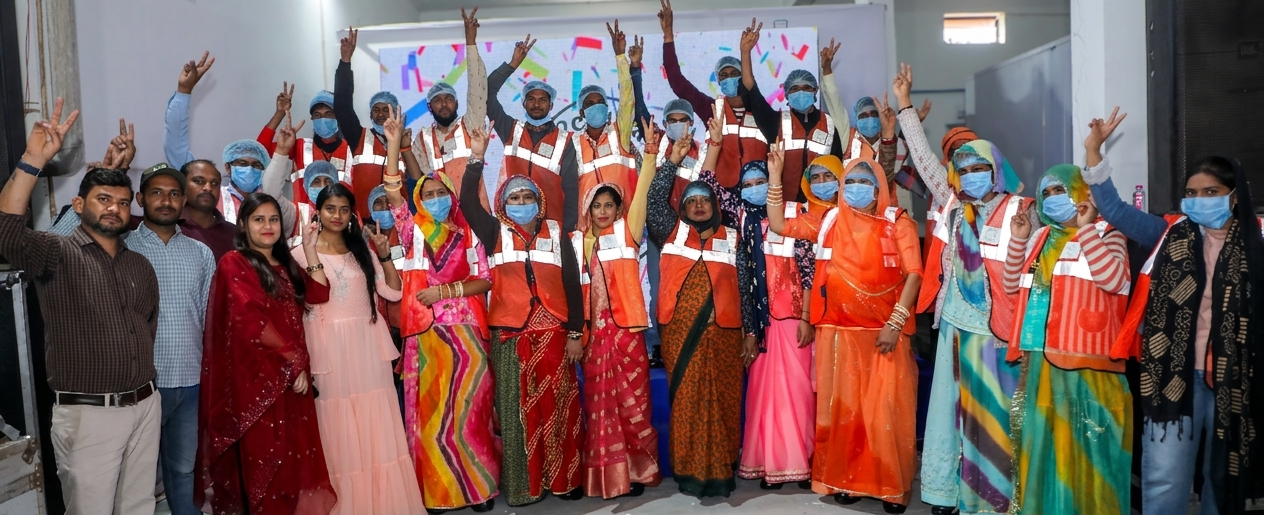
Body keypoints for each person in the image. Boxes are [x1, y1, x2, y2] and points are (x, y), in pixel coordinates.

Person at [1085, 109, 1264, 515]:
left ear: (1235, 195)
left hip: (1235, 379)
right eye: (1193, 192)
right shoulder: (1169, 233)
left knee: (1223, 477)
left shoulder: (1257, 243)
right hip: (1173, 377)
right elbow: (1113, 209)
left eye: (1211, 192)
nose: (1199, 200)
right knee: (1165, 476)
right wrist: (1095, 151)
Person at [0, 100, 163, 515]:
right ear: (78, 207)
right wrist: (33, 160)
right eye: (103, 198)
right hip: (90, 415)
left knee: (139, 506)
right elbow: (7, 233)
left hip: (145, 406)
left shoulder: (140, 265)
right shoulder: (55, 254)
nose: (113, 207)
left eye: (123, 202)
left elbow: (146, 331)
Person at [894, 64, 1033, 515]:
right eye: (963, 168)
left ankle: (991, 497)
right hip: (953, 324)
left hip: (997, 333)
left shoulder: (1020, 210)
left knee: (989, 415)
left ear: (996, 170)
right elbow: (922, 161)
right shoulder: (953, 204)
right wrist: (904, 107)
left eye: (979, 167)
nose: (970, 174)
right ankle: (945, 493)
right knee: (947, 415)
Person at [766, 142, 922, 513]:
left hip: (884, 335)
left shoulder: (896, 221)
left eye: (862, 182)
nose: (854, 188)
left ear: (878, 186)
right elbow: (777, 224)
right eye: (848, 182)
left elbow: (914, 275)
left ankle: (890, 487)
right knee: (846, 413)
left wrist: (895, 323)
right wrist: (775, 177)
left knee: (885, 413)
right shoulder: (829, 220)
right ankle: (848, 480)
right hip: (838, 331)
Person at [383, 107, 501, 513]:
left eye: (440, 194)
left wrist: (446, 291)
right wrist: (395, 141)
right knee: (432, 415)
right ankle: (436, 492)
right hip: (427, 334)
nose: (434, 200)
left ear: (452, 197)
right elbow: (392, 187)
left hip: (467, 332)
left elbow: (485, 279)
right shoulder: (410, 229)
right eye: (427, 194)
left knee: (471, 409)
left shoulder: (468, 231)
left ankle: (478, 488)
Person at [460, 132, 586, 507]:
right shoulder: (494, 231)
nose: (521, 203)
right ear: (503, 203)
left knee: (562, 408)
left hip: (555, 330)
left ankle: (565, 480)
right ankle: (525, 486)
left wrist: (577, 331)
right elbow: (467, 202)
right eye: (513, 198)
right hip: (511, 333)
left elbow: (571, 284)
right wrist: (476, 159)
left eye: (527, 197)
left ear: (539, 201)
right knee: (517, 414)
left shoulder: (556, 232)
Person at [1002, 162, 1133, 515]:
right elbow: (1012, 285)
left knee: (1090, 451)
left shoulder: (1109, 232)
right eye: (1045, 193)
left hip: (1089, 367)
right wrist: (1018, 239)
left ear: (1080, 192)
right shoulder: (1042, 238)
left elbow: (1116, 281)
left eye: (1059, 190)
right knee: (1045, 446)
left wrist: (1086, 229)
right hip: (1042, 363)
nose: (1052, 199)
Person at [196, 193, 337, 514]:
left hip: (293, 381)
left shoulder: (285, 262)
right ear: (244, 225)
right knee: (266, 466)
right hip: (259, 383)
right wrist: (295, 362)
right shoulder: (235, 262)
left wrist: (311, 249)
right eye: (259, 219)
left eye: (273, 219)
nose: (268, 226)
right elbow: (251, 322)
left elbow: (318, 292)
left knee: (294, 465)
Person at [290, 181, 424, 515]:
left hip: (366, 347)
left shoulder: (359, 250)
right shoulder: (297, 252)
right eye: (330, 208)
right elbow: (303, 302)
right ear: (317, 211)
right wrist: (309, 253)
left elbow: (393, 293)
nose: (337, 215)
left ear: (353, 215)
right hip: (327, 349)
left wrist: (383, 255)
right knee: (336, 430)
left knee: (375, 425)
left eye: (344, 209)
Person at [646, 118, 745, 498]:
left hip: (725, 335)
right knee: (687, 401)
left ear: (715, 205)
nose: (700, 205)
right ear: (683, 206)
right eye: (692, 200)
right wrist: (670, 161)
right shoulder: (669, 230)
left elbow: (747, 291)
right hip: (679, 334)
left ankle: (722, 470)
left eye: (705, 200)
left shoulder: (732, 236)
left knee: (722, 401)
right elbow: (655, 198)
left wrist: (751, 334)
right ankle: (689, 472)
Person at [571, 119, 664, 500]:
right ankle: (607, 476)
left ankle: (638, 472)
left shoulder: (629, 231)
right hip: (594, 339)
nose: (604, 210)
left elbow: (641, 191)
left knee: (635, 405)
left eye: (610, 204)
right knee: (599, 408)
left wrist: (650, 157)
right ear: (587, 209)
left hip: (627, 333)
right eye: (598, 205)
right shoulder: (576, 243)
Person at [125, 163, 217, 515]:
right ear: (140, 199)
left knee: (183, 472)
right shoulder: (124, 248)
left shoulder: (200, 253)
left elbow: (210, 320)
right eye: (157, 193)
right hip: (143, 385)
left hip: (191, 383)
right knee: (139, 478)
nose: (166, 200)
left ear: (184, 201)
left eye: (174, 193)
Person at [722, 155, 816, 491]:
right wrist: (715, 144)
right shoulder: (743, 219)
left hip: (794, 319)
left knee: (799, 392)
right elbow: (744, 283)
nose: (754, 189)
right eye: (747, 185)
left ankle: (801, 462)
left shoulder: (794, 215)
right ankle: (769, 464)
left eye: (759, 181)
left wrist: (806, 316)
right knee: (764, 394)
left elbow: (809, 272)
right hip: (761, 324)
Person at [656, 0, 766, 188]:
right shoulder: (713, 110)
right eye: (723, 75)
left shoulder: (761, 109)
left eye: (734, 74)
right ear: (719, 81)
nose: (729, 78)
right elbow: (677, 81)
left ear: (743, 75)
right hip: (723, 195)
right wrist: (668, 36)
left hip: (757, 190)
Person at [736, 20, 841, 202]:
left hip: (821, 207)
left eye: (806, 88)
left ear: (815, 91)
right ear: (786, 94)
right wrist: (745, 53)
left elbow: (837, 168)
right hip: (783, 209)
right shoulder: (775, 122)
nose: (801, 92)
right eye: (794, 89)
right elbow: (751, 91)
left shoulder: (829, 124)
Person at [486, 35, 580, 231]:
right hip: (512, 223)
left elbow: (571, 191)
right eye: (531, 99)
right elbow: (486, 94)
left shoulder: (565, 141)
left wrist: (568, 232)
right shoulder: (510, 129)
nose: (537, 104)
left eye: (542, 99)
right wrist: (512, 65)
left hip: (552, 228)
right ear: (523, 104)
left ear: (551, 105)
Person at [335, 27, 422, 219]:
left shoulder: (407, 141)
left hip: (400, 223)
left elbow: (417, 182)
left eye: (386, 109)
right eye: (376, 110)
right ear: (371, 114)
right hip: (362, 220)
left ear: (397, 112)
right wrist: (345, 62)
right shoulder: (359, 136)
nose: (381, 114)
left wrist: (404, 147)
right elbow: (342, 106)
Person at [413, 8, 490, 211]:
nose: (444, 103)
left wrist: (470, 43)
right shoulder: (422, 139)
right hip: (442, 222)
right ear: (430, 107)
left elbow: (477, 88)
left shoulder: (470, 124)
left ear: (457, 103)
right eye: (438, 100)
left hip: (476, 216)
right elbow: (417, 181)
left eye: (449, 99)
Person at [572, 21, 639, 204]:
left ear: (608, 107)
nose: (597, 106)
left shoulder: (619, 134)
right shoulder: (573, 143)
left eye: (601, 102)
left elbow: (627, 100)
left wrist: (620, 56)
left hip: (622, 223)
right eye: (590, 104)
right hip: (588, 227)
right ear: (581, 113)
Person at [257, 86, 351, 205]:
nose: (322, 119)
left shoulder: (350, 149)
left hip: (339, 219)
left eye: (328, 114)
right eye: (317, 115)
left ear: (338, 117)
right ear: (312, 118)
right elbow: (260, 151)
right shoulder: (300, 146)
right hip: (303, 220)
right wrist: (280, 113)